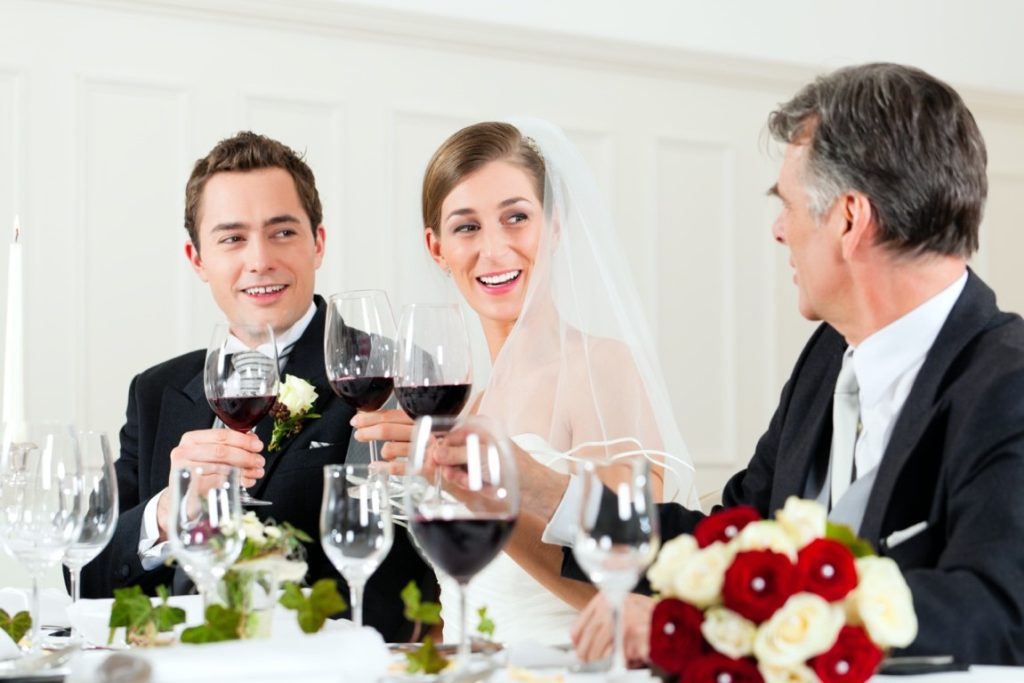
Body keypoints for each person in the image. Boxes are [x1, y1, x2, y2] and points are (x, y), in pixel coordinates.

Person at [511, 63, 1024, 666]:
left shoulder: (1008, 384)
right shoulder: (828, 359)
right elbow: (726, 543)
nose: (779, 231)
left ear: (849, 220)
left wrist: (707, 623)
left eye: (789, 205)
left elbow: (995, 612)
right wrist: (549, 492)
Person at [355, 120, 700, 644]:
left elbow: (632, 592)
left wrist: (481, 499)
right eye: (466, 227)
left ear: (554, 227)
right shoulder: (466, 406)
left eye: (516, 218)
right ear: (436, 248)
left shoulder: (601, 369)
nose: (494, 250)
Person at [79, 131, 433, 641]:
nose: (260, 259)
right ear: (197, 259)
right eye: (232, 238)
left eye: (282, 232)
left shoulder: (393, 373)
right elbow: (88, 574)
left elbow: (418, 574)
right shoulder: (155, 391)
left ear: (319, 242)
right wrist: (167, 511)